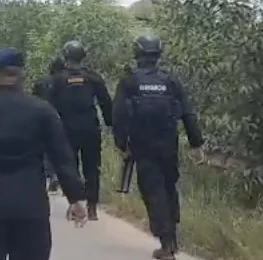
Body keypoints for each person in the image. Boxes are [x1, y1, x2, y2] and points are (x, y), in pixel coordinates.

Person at [0, 48, 88, 260]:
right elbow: (62, 158)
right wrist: (76, 198)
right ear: (21, 75)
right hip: (31, 209)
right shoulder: (42, 111)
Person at [113, 36, 204, 260]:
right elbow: (188, 113)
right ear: (158, 54)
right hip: (168, 146)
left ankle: (166, 245)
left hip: (143, 147)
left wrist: (121, 143)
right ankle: (172, 239)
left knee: (153, 192)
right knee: (169, 189)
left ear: (137, 54)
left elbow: (119, 115)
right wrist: (196, 143)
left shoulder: (130, 81)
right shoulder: (171, 80)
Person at [48, 40, 113, 221]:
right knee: (92, 167)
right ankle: (92, 207)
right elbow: (105, 102)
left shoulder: (58, 79)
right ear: (83, 56)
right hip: (90, 128)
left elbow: (49, 107)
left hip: (67, 129)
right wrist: (110, 123)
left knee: (71, 167)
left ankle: (75, 204)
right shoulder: (93, 77)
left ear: (65, 56)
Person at [31, 55, 66, 193]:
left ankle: (52, 176)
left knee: (46, 149)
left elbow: (33, 100)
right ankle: (62, 178)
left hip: (43, 118)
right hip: (62, 118)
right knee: (62, 149)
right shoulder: (64, 81)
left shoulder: (41, 81)